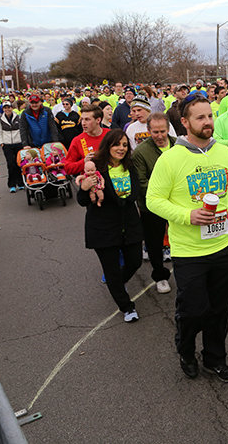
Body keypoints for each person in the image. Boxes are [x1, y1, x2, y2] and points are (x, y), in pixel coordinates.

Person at [146, 94, 228, 384]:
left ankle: (215, 359)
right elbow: (153, 200)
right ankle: (187, 351)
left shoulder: (225, 154)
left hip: (225, 247)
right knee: (193, 311)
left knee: (219, 311)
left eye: (209, 116)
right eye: (200, 117)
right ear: (185, 122)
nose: (207, 122)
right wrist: (187, 215)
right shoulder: (171, 159)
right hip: (189, 252)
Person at [77, 129, 144, 323]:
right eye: (117, 144)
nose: (121, 148)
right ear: (108, 146)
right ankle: (127, 307)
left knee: (135, 261)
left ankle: (117, 284)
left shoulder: (129, 166)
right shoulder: (96, 168)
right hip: (103, 227)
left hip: (129, 223)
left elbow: (136, 190)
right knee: (111, 269)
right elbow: (82, 200)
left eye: (124, 145)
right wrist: (84, 188)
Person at [131, 112, 175, 294]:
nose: (159, 136)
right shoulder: (141, 152)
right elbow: (142, 183)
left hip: (177, 204)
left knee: (181, 238)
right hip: (151, 206)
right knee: (155, 243)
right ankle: (160, 276)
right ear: (148, 130)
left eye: (162, 131)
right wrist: (172, 188)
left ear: (168, 129)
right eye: (155, 132)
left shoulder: (179, 145)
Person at [64, 106, 109, 175]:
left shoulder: (110, 135)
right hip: (91, 182)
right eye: (82, 119)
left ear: (98, 120)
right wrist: (84, 162)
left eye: (87, 119)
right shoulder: (78, 140)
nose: (83, 123)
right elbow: (68, 168)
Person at [0, 101, 25, 192]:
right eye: (5, 108)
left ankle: (21, 183)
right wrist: (1, 143)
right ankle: (12, 184)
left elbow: (22, 130)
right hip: (7, 144)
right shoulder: (0, 119)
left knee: (19, 164)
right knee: (11, 164)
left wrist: (23, 141)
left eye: (9, 107)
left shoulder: (18, 117)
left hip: (18, 143)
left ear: (12, 108)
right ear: (3, 109)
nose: (7, 110)